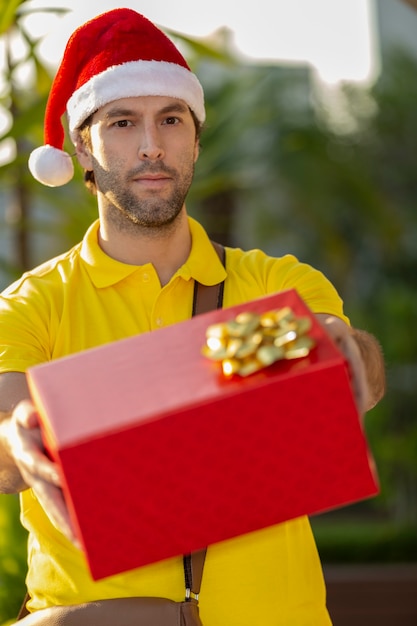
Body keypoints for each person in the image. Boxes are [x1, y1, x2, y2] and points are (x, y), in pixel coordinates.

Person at [0, 8, 385, 626]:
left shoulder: (273, 282)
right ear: (83, 148)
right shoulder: (32, 304)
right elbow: (4, 439)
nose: (152, 145)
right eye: (123, 122)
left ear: (196, 139)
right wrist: (21, 442)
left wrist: (347, 353)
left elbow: (357, 375)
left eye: (171, 120)